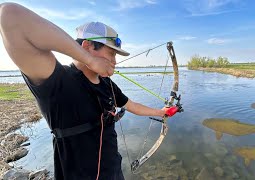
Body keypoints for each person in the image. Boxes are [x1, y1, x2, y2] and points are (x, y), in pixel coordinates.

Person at [0, 3, 179, 180]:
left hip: (115, 172)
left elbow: (132, 105)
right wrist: (89, 60)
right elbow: (9, 15)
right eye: (111, 53)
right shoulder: (56, 80)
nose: (115, 61)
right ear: (87, 47)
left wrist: (162, 112)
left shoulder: (106, 84)